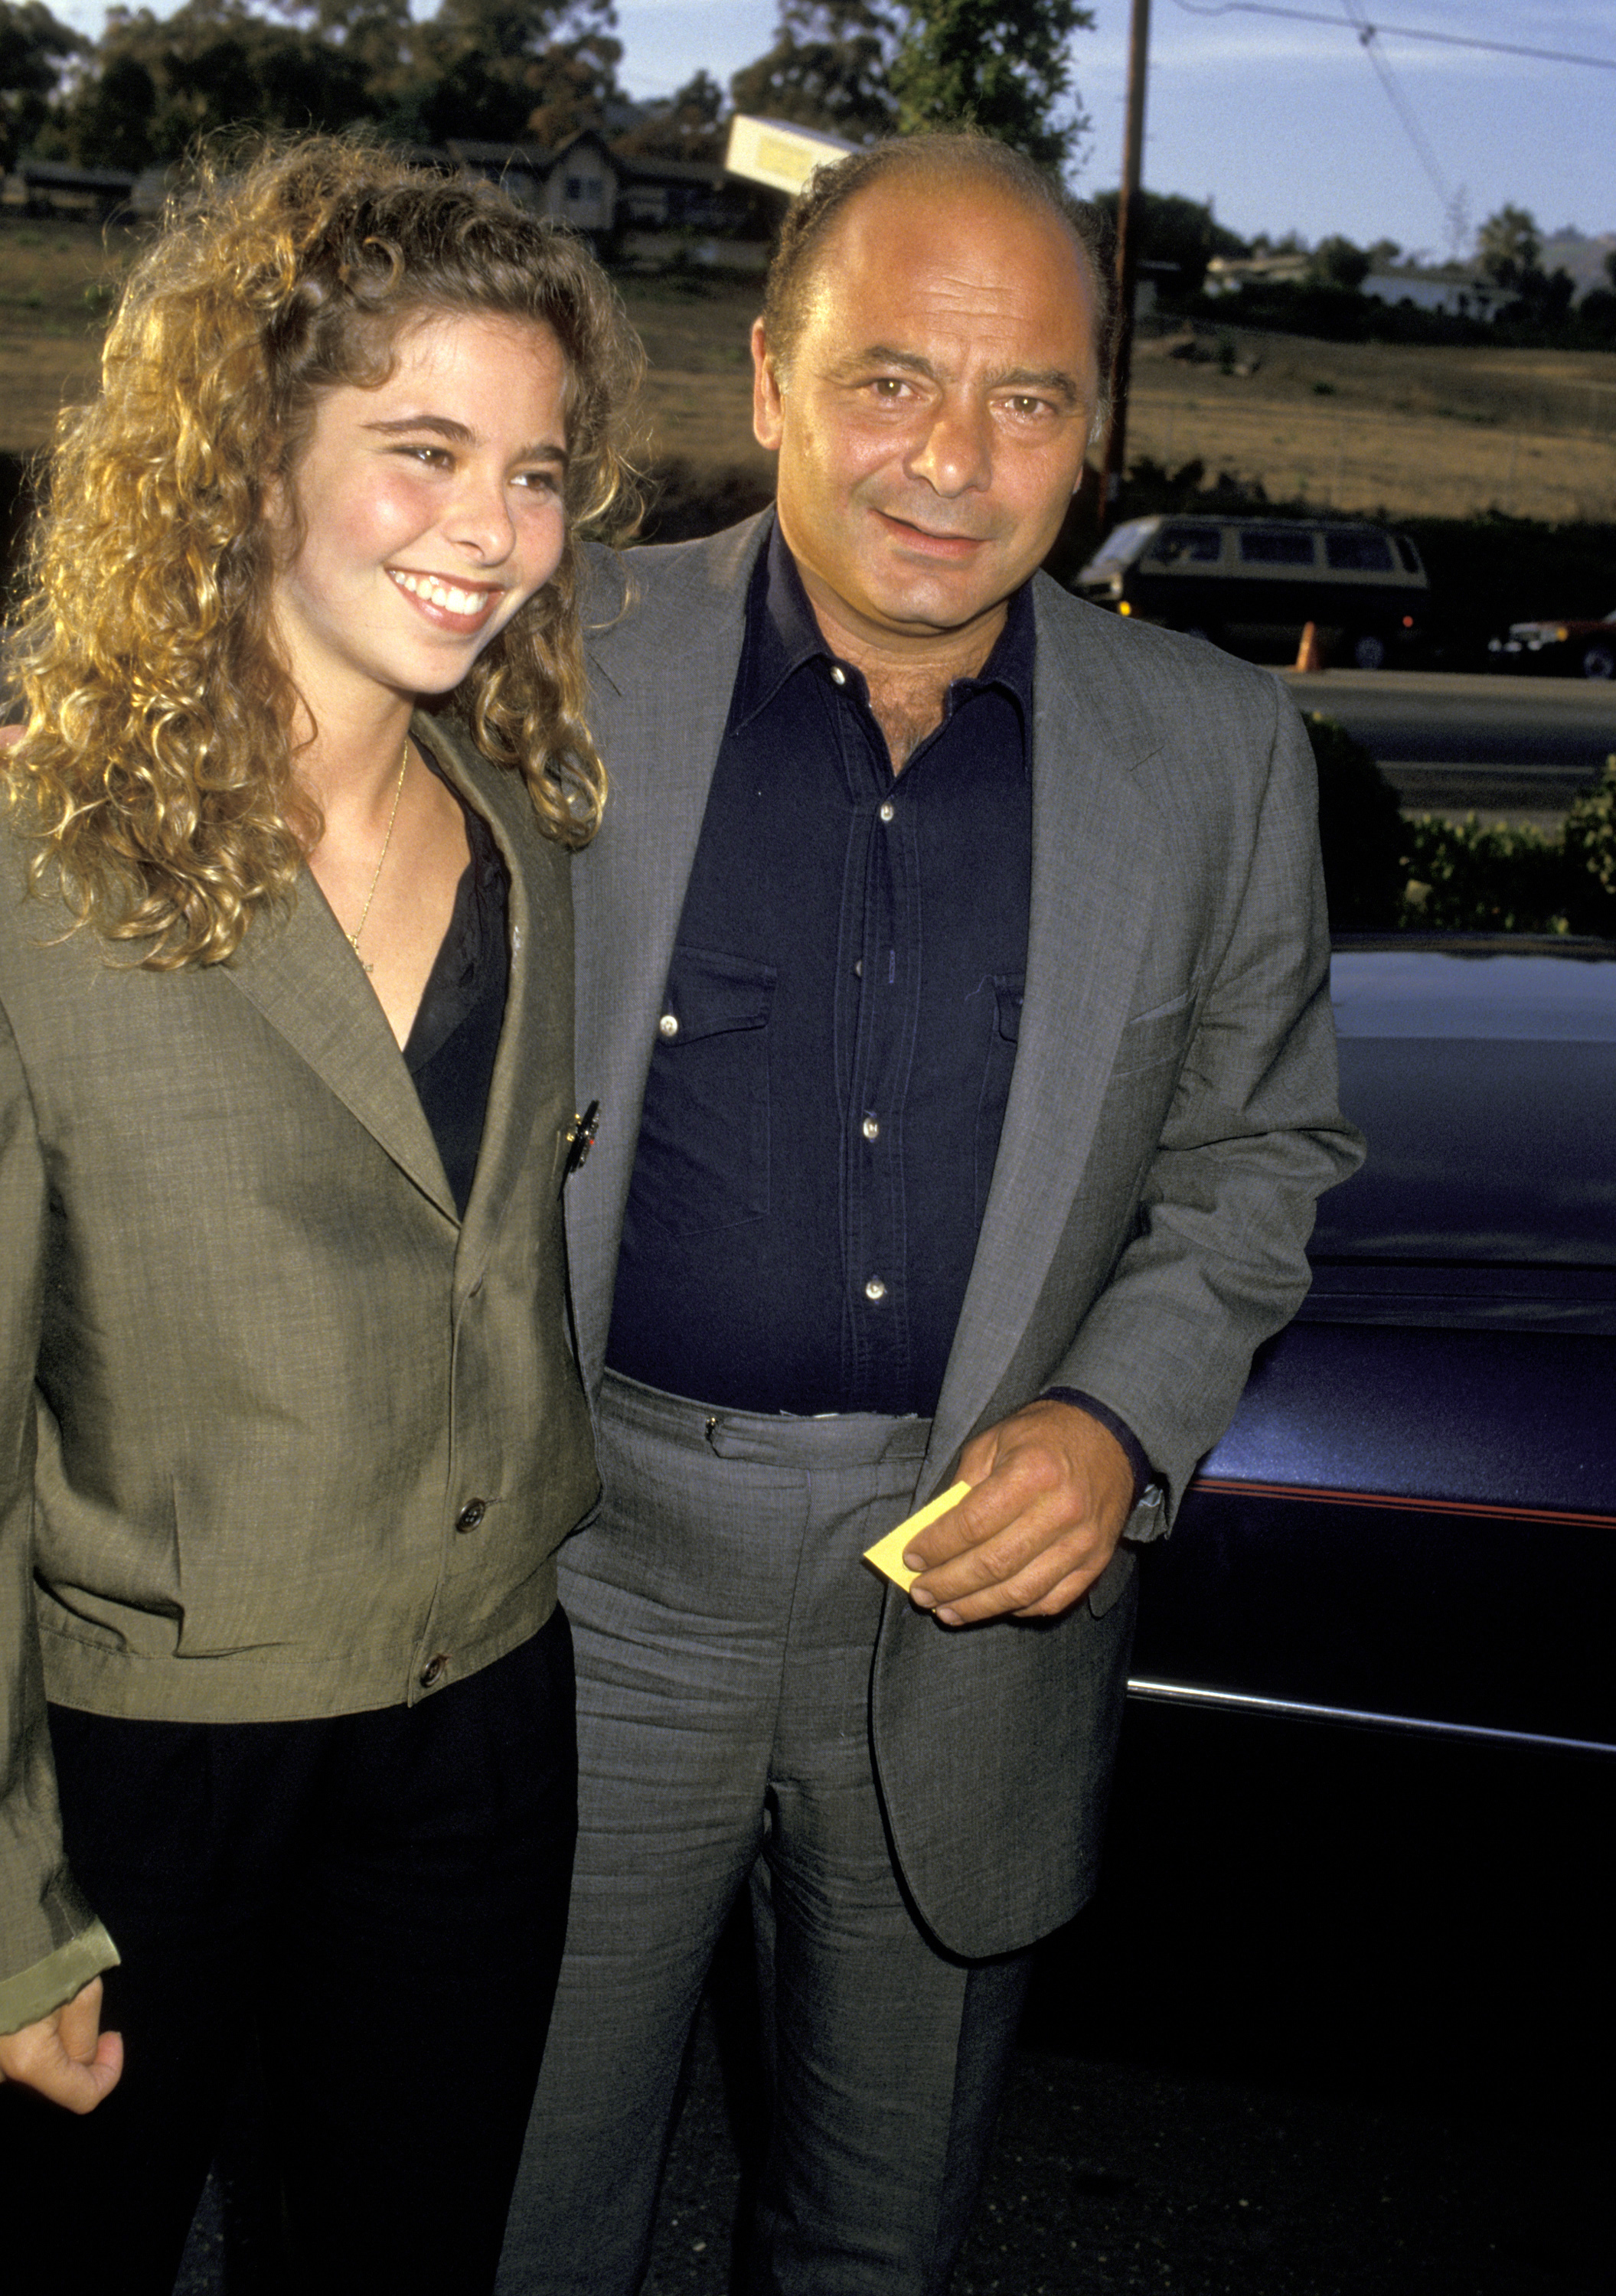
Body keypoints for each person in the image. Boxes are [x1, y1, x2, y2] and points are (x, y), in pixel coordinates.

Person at [498, 129, 1363, 2296]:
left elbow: (1262, 1151)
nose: (955, 463)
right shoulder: (543, 660)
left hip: (972, 1607)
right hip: (585, 1579)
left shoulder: (1220, 749)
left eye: (1031, 400)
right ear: (773, 381)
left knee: (879, 2251)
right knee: (516, 2219)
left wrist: (1120, 1420)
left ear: (1094, 433)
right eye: (891, 380)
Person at [0, 139, 640, 2294]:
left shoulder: (527, 838)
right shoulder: (36, 873)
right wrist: (6, 1908)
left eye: (542, 472)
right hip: (132, 1771)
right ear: (246, 453)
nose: (499, 534)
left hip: (481, 1729)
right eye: (428, 450)